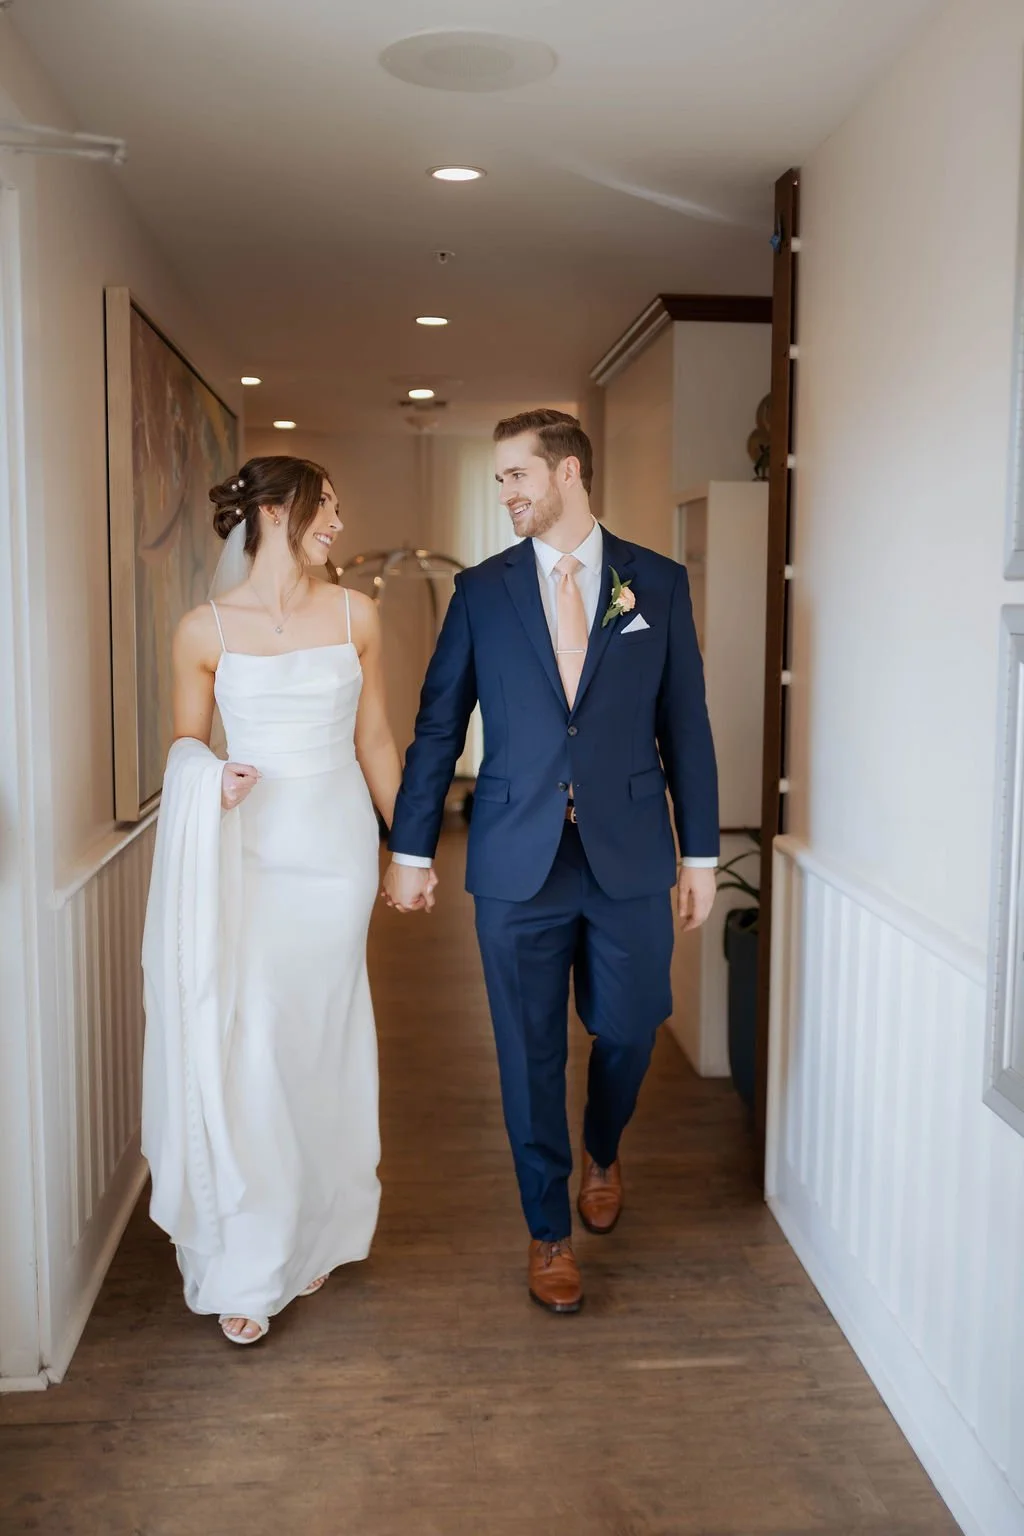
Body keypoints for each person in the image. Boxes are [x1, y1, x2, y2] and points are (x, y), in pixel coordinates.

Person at [384, 410, 718, 1313]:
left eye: (516, 476)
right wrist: (410, 845)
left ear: (568, 473)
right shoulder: (484, 592)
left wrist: (702, 855)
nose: (506, 494)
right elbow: (438, 724)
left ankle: (603, 1149)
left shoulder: (656, 582)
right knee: (529, 1054)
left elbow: (685, 724)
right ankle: (547, 1233)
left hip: (632, 854)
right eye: (497, 480)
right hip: (514, 857)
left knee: (632, 1023)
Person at [142, 455, 405, 1345]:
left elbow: (374, 739)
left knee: (319, 1040)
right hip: (250, 855)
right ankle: (253, 1259)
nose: (335, 519)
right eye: (322, 504)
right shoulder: (202, 630)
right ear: (272, 511)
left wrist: (407, 847)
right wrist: (212, 781)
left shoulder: (356, 615)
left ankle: (322, 1225)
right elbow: (183, 747)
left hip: (335, 858)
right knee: (252, 1039)